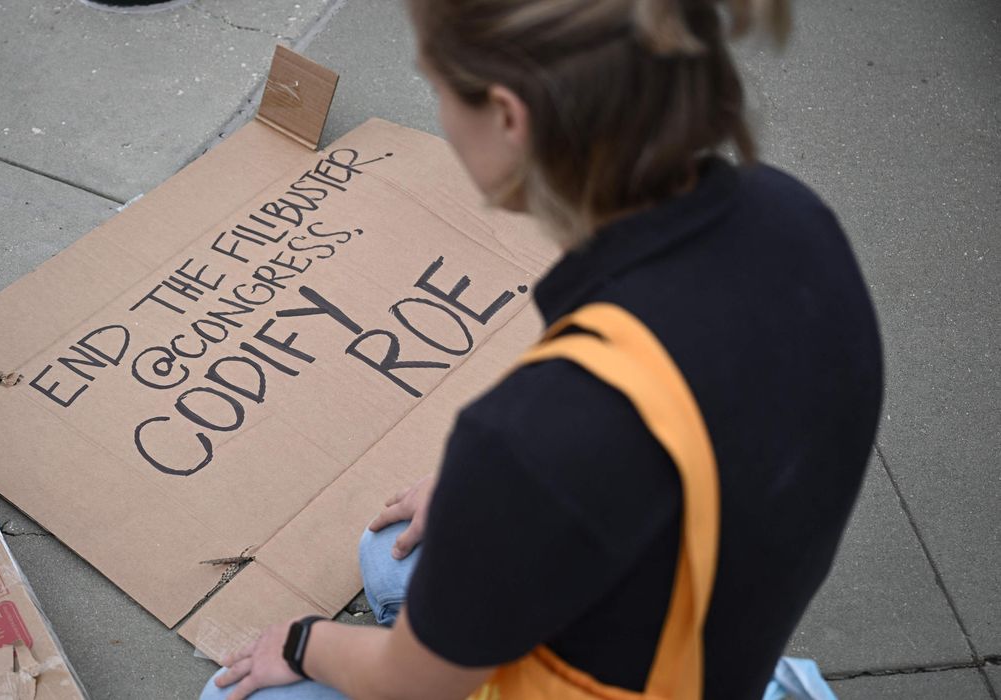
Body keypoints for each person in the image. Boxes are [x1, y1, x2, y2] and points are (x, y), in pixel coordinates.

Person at [201, 0, 882, 698]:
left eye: (437, 88)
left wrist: (302, 641)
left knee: (229, 691)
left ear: (508, 116)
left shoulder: (537, 432)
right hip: (714, 630)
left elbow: (413, 685)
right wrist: (492, 503)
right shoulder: (790, 213)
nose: (437, 112)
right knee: (387, 556)